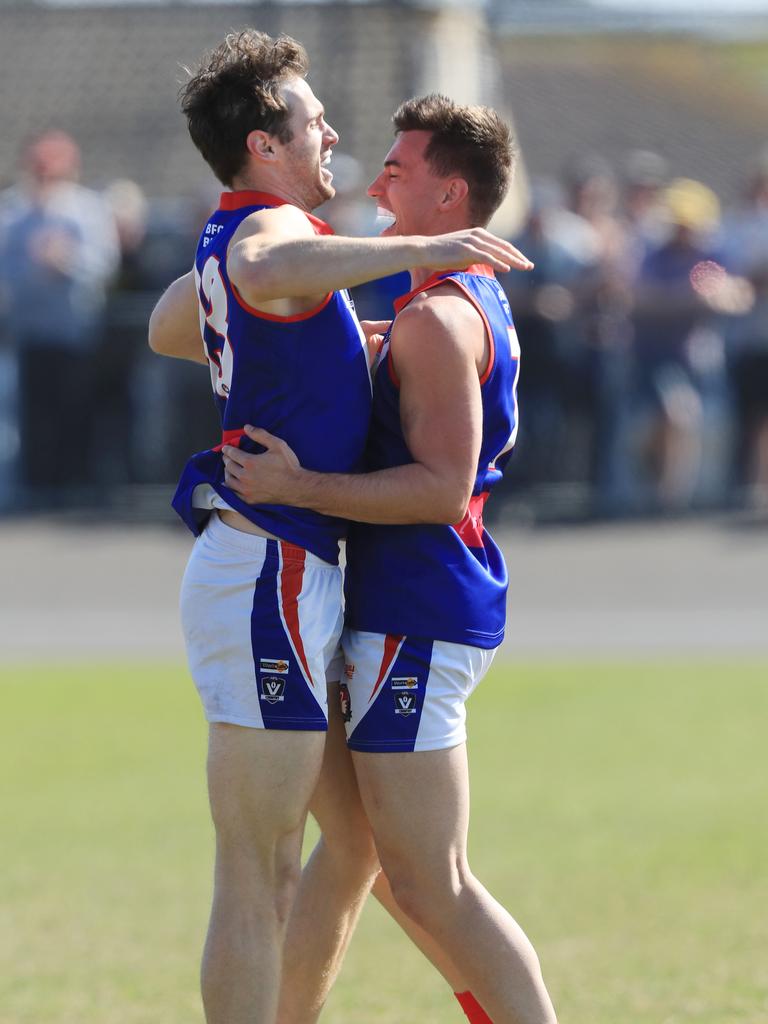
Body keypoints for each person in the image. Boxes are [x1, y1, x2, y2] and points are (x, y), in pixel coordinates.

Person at [147, 29, 534, 1024]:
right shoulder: (269, 239)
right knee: (264, 867)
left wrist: (308, 337)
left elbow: (175, 321)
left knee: (355, 851)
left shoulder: (275, 254)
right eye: (315, 123)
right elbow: (266, 261)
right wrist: (418, 249)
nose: (337, 141)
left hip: (305, 572)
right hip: (269, 568)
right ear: (266, 147)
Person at [0, 130, 119, 507]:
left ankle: (75, 489)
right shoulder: (12, 213)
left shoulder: (88, 210)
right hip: (30, 334)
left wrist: (64, 260)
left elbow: (103, 265)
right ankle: (36, 489)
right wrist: (33, 268)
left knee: (75, 414)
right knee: (33, 416)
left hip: (76, 335)